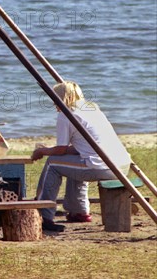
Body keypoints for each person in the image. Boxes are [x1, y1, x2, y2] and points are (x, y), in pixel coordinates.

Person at [32, 81, 131, 232]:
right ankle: (79, 211)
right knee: (74, 162)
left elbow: (61, 149)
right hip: (121, 164)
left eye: (53, 98)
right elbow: (81, 148)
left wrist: (42, 151)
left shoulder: (66, 115)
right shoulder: (92, 108)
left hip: (101, 166)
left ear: (60, 98)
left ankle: (43, 214)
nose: (52, 103)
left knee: (53, 163)